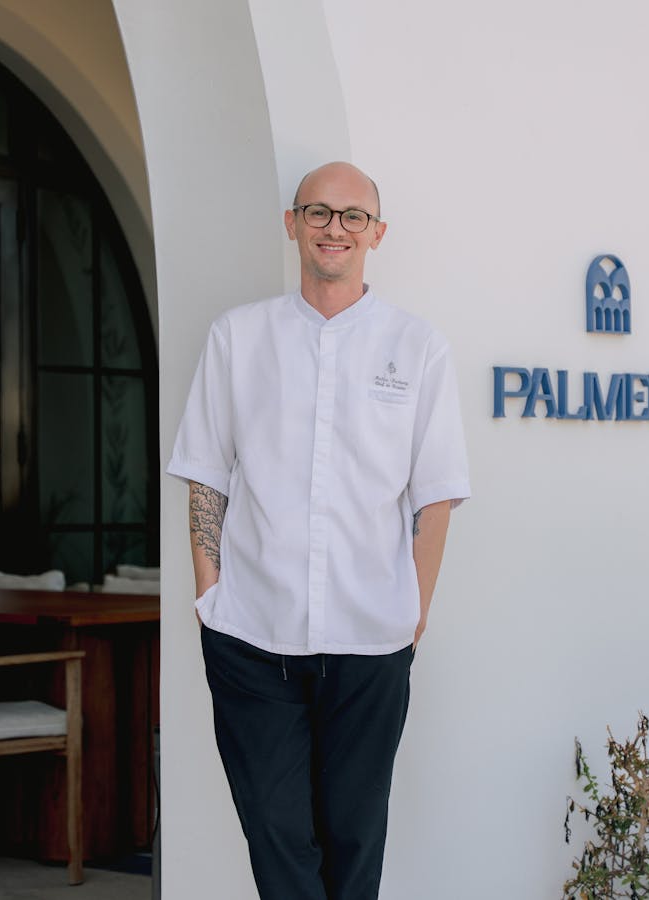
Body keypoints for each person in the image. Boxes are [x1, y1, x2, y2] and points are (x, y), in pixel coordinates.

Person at [167, 161, 470, 899]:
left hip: (371, 638)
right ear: (293, 224)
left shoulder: (418, 347)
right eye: (319, 212)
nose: (335, 228)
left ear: (377, 233)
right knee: (276, 834)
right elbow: (206, 473)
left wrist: (414, 612)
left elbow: (434, 496)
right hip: (251, 634)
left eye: (352, 216)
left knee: (354, 840)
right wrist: (210, 594)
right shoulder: (238, 338)